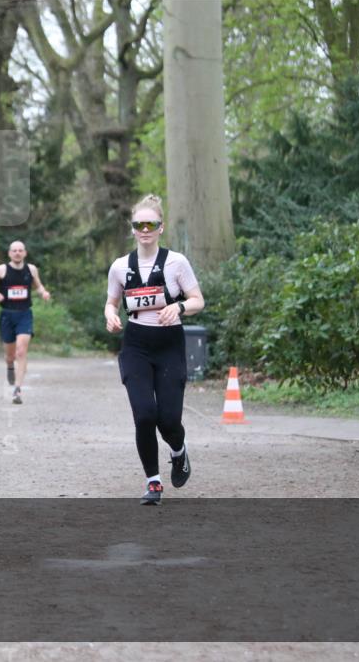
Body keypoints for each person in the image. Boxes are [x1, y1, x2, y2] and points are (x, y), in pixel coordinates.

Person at [104, 195, 205, 505]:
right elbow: (112, 301)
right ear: (132, 229)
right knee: (145, 415)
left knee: (169, 419)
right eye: (139, 225)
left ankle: (178, 450)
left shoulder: (176, 262)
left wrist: (179, 308)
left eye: (151, 224)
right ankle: (153, 482)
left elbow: (198, 300)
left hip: (169, 345)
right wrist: (110, 314)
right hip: (136, 345)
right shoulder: (121, 266)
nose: (144, 229)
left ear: (161, 228)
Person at [0, 241, 50, 404]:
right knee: (10, 355)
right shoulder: (1, 270)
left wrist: (44, 292)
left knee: (21, 351)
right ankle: (10, 366)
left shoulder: (31, 270)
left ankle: (17, 390)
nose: (17, 253)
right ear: (10, 253)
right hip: (7, 315)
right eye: (14, 251)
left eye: (20, 250)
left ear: (25, 253)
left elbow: (38, 287)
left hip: (25, 314)